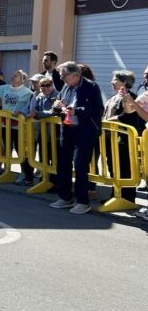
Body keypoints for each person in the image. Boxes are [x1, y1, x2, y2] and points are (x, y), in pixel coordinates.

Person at [50, 62, 104, 215]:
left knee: (80, 166)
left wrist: (77, 111)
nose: (61, 77)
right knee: (63, 164)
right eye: (61, 74)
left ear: (75, 74)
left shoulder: (91, 87)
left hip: (84, 131)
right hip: (67, 129)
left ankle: (82, 201)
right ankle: (65, 197)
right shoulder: (66, 86)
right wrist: (57, 105)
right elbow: (60, 100)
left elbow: (98, 109)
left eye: (64, 74)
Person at [102, 70, 143, 206]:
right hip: (110, 139)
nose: (112, 82)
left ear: (124, 82)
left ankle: (127, 199)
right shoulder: (114, 97)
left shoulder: (130, 97)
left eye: (115, 79)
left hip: (123, 141)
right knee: (113, 168)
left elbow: (128, 116)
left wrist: (110, 120)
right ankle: (115, 195)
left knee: (124, 169)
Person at [0, 70, 34, 186]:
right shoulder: (5, 88)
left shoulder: (28, 92)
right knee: (7, 148)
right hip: (5, 124)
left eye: (16, 76)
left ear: (22, 80)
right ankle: (7, 170)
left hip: (19, 126)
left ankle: (23, 173)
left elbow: (30, 107)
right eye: (13, 75)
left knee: (20, 150)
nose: (13, 77)